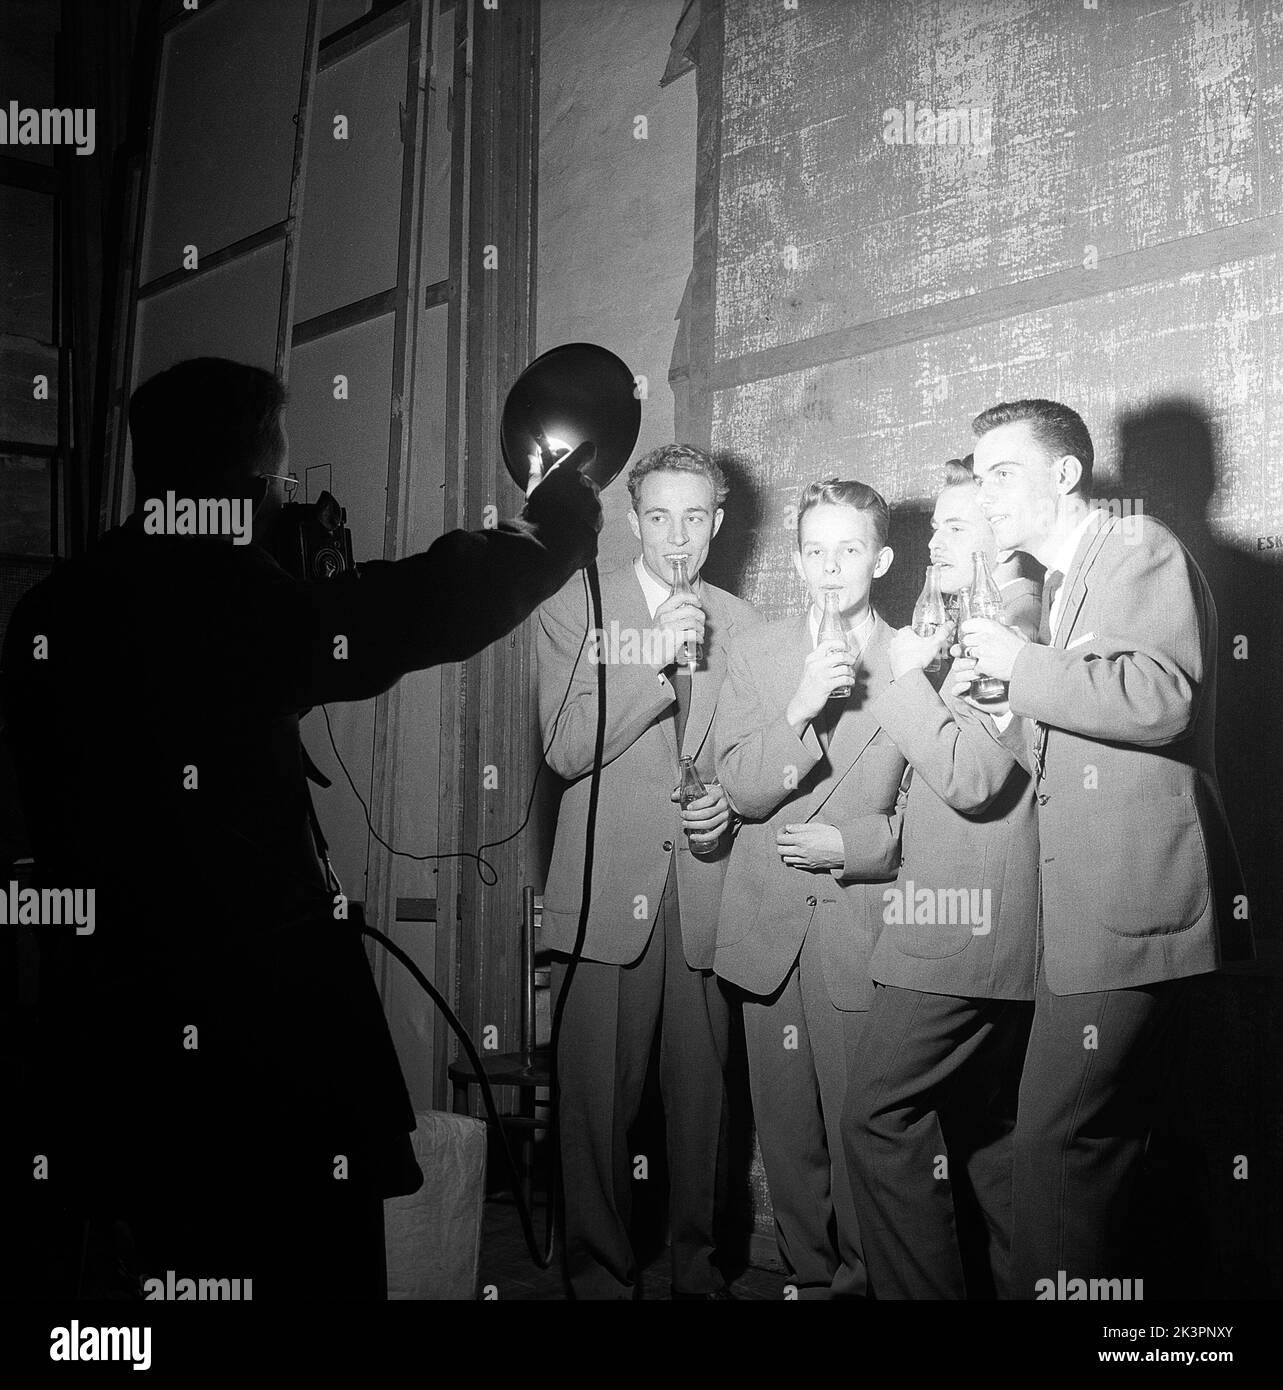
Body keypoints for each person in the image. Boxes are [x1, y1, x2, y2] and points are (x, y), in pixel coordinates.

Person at [2, 356, 601, 1299]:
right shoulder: (226, 597)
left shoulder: (53, 605)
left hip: (118, 1026)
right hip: (256, 1028)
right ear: (245, 479)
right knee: (308, 1259)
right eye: (278, 475)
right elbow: (402, 614)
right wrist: (546, 535)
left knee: (171, 1265)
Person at [954, 397, 1252, 1297]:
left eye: (1003, 472)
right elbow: (1078, 737)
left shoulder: (1135, 547)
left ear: (1065, 474)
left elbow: (1160, 698)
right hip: (1090, 910)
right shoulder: (1062, 582)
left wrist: (1020, 665)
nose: (985, 492)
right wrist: (1005, 702)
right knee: (1098, 1151)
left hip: (1131, 903)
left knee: (1055, 1147)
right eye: (977, 475)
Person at [536, 442, 761, 1300]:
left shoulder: (743, 624)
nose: (678, 535)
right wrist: (652, 659)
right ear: (632, 522)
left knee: (703, 1118)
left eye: (695, 516)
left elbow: (750, 758)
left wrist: (730, 807)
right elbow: (562, 748)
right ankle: (597, 1283)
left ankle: (697, 1279)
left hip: (705, 894)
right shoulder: (573, 607)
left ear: (716, 523)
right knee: (597, 1117)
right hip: (603, 901)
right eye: (659, 516)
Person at [842, 459, 1041, 1299]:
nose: (936, 542)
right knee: (987, 1141)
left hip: (961, 934)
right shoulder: (977, 625)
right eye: (936, 529)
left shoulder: (1016, 627)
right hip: (979, 930)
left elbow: (971, 781)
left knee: (874, 1119)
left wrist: (897, 677)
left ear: (1004, 531)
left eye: (957, 526)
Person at [712, 478, 907, 1300]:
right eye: (815, 551)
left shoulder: (912, 659)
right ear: (795, 559)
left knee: (860, 1137)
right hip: (765, 935)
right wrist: (798, 707)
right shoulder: (759, 652)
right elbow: (739, 788)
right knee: (787, 1141)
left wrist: (853, 843)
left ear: (882, 558)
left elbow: (950, 817)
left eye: (850, 549)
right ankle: (808, 1280)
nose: (831, 568)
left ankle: (864, 1288)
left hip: (858, 936)